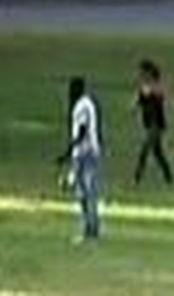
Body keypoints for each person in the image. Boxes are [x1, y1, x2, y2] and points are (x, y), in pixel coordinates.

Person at [57, 76, 102, 242]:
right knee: (84, 193)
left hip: (85, 153)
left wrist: (68, 152)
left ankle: (90, 230)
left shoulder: (81, 106)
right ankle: (90, 228)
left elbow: (82, 132)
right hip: (87, 152)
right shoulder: (87, 104)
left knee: (87, 193)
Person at [133, 59, 173, 185]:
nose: (140, 75)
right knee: (158, 153)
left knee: (144, 150)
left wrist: (148, 91)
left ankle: (137, 178)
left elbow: (160, 95)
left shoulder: (157, 86)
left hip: (156, 125)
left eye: (143, 72)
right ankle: (168, 176)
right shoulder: (144, 88)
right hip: (149, 124)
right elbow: (138, 102)